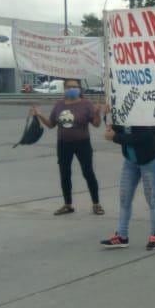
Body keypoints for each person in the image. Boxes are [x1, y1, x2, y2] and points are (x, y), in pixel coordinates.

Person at [29, 78, 104, 216]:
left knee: (88, 172)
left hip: (82, 143)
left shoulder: (86, 104)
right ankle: (67, 204)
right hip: (63, 144)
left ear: (79, 89)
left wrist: (97, 113)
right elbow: (51, 124)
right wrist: (39, 115)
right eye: (69, 87)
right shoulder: (59, 105)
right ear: (64, 89)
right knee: (65, 174)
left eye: (75, 86)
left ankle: (96, 204)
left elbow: (96, 124)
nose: (72, 89)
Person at [100, 115, 155, 251]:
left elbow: (141, 137)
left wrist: (115, 137)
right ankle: (122, 236)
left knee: (152, 199)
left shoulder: (142, 113)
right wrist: (108, 115)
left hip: (150, 160)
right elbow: (114, 126)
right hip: (131, 160)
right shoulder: (122, 111)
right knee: (124, 198)